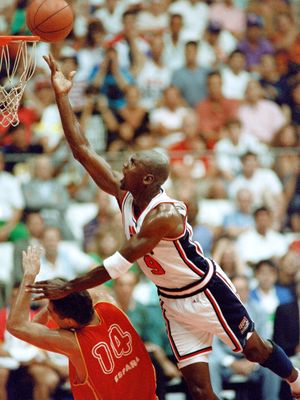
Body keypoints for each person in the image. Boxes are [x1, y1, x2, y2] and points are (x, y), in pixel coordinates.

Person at [28, 54, 300, 400]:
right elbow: (82, 149)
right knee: (200, 390)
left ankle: (295, 379)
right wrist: (62, 95)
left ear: (146, 178)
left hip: (205, 291)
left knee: (255, 351)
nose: (122, 165)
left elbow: (117, 264)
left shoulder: (165, 215)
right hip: (172, 300)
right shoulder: (125, 194)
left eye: (131, 163)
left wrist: (67, 287)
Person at [8, 247, 157, 400]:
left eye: (51, 312)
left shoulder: (75, 343)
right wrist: (63, 292)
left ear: (69, 321)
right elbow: (86, 294)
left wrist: (29, 276)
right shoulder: (110, 304)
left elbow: (16, 326)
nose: (49, 315)